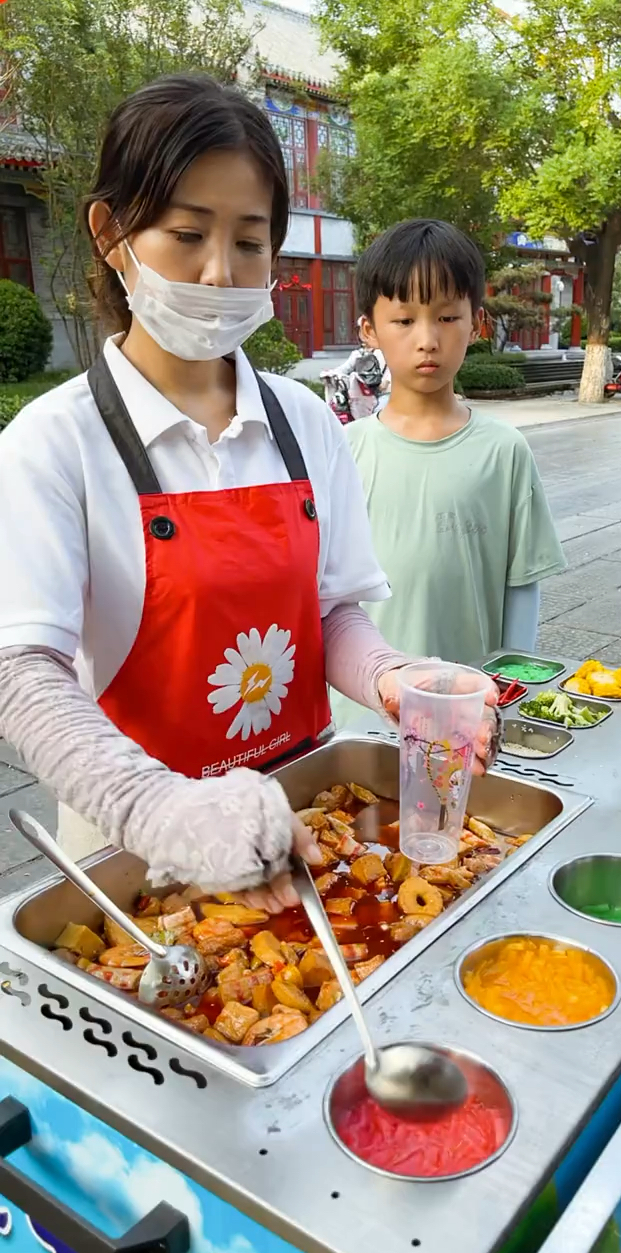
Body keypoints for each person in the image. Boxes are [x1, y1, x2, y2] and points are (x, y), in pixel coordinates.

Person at [0, 79, 498, 910]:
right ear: (111, 232)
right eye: (187, 234)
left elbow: (331, 613)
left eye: (250, 242)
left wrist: (395, 679)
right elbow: (23, 670)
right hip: (143, 857)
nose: (220, 272)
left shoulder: (304, 422)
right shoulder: (55, 443)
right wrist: (157, 808)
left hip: (303, 816)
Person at [331, 218, 565, 727]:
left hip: (468, 718)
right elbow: (328, 599)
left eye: (446, 317)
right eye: (404, 320)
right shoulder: (342, 453)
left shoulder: (504, 452)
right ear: (368, 327)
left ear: (476, 322)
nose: (427, 340)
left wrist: (510, 694)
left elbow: (521, 584)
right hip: (363, 718)